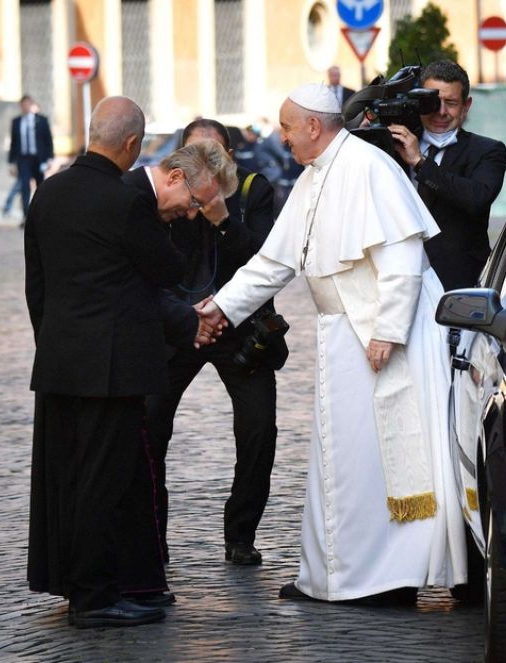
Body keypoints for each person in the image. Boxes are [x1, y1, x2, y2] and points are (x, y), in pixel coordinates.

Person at [198, 83, 466, 603]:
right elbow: (273, 264)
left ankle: (388, 579)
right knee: (340, 459)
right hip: (344, 332)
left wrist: (387, 330)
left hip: (382, 333)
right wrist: (219, 308)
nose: (282, 138)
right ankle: (335, 577)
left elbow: (403, 258)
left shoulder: (368, 166)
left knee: (379, 460)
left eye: (287, 127)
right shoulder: (315, 175)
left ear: (314, 127)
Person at [24, 96, 213, 628]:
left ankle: (84, 586)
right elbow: (166, 266)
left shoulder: (49, 192)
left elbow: (36, 285)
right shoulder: (126, 201)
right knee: (103, 482)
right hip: (113, 368)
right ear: (133, 145)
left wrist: (57, 344)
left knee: (71, 477)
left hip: (62, 361)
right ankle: (95, 597)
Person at [143, 118, 284, 566]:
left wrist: (224, 220)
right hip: (178, 327)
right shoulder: (167, 192)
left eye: (214, 155)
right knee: (147, 426)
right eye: (194, 155)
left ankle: (241, 535)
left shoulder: (252, 190)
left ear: (230, 157)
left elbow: (267, 263)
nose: (204, 164)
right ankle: (151, 537)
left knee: (258, 429)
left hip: (241, 327)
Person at [386, 59, 506, 291]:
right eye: (433, 102)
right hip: (399, 281)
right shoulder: (392, 146)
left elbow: (476, 199)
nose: (441, 112)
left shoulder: (487, 150)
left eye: (451, 103)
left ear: (466, 106)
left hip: (458, 283)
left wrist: (420, 163)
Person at [8, 95, 54, 221]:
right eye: (23, 104)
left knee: (41, 186)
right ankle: (25, 216)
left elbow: (48, 140)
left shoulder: (41, 120)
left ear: (32, 105)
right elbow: (14, 143)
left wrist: (50, 158)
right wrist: (11, 163)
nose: (26, 106)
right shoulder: (16, 122)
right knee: (24, 185)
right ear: (21, 106)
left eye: (28, 104)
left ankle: (40, 215)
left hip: (38, 158)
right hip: (23, 159)